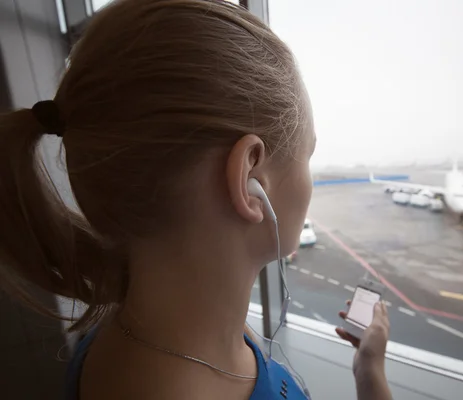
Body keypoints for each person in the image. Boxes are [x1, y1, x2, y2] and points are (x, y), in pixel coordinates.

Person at [0, 0, 393, 399]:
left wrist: (366, 365)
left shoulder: (155, 330)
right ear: (250, 177)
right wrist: (373, 379)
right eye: (307, 154)